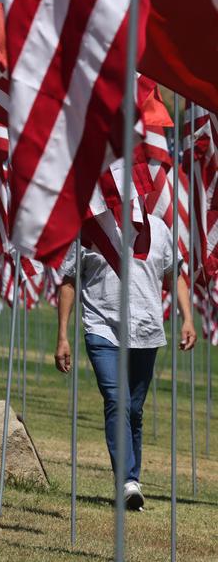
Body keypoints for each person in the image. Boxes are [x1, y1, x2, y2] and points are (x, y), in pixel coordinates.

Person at [55, 215, 196, 510]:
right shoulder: (90, 227)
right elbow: (68, 281)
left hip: (146, 330)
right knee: (117, 400)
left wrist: (187, 319)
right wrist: (63, 336)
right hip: (102, 328)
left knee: (133, 409)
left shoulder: (159, 229)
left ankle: (132, 481)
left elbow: (175, 275)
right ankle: (128, 481)